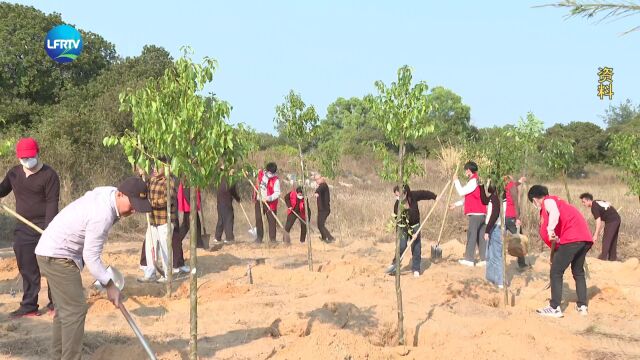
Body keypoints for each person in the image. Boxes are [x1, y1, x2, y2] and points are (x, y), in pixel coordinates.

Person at [35, 177, 152, 360]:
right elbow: (91, 257)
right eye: (133, 204)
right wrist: (110, 285)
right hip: (58, 256)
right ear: (120, 194)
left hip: (54, 252)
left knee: (65, 310)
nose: (134, 209)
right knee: (75, 310)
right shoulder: (103, 213)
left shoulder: (110, 194)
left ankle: (57, 356)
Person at [0, 137, 59, 318]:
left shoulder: (49, 175)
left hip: (45, 226)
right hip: (23, 228)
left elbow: (52, 204)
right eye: (23, 158)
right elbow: (2, 190)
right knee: (27, 267)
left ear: (37, 153)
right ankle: (29, 306)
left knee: (50, 267)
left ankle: (56, 304)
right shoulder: (14, 174)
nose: (26, 161)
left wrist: (49, 232)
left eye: (29, 157)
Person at [528, 185, 593, 318]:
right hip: (584, 238)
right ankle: (582, 306)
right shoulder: (560, 202)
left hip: (572, 238)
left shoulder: (548, 201)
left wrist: (550, 230)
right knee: (578, 272)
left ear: (535, 199)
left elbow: (555, 214)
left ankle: (554, 307)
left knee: (556, 272)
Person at [137, 159, 187, 283]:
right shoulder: (151, 180)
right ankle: (150, 273)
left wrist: (151, 204)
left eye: (158, 167)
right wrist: (141, 176)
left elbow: (167, 199)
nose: (154, 169)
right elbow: (142, 193)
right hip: (153, 220)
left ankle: (166, 274)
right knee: (150, 245)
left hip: (165, 220)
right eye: (153, 166)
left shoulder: (169, 182)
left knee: (165, 247)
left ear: (166, 168)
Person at [385, 184, 437, 278]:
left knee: (416, 247)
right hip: (403, 227)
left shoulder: (413, 196)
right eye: (395, 195)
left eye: (398, 195)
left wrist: (434, 197)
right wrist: (410, 232)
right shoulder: (397, 205)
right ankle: (395, 264)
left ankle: (416, 268)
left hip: (415, 225)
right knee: (401, 246)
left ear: (405, 193)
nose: (397, 197)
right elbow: (400, 221)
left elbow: (424, 194)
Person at [450, 161, 487, 267]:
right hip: (481, 213)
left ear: (469, 170)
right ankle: (484, 258)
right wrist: (455, 205)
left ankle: (469, 259)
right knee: (480, 236)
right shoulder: (476, 181)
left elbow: (462, 192)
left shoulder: (474, 181)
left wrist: (456, 181)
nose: (465, 172)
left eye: (466, 170)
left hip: (476, 214)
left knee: (472, 235)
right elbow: (468, 198)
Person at [579, 193, 621, 261]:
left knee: (606, 240)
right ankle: (612, 259)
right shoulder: (597, 201)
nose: (583, 204)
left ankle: (602, 259)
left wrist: (595, 235)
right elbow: (608, 203)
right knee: (613, 239)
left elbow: (598, 221)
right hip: (616, 219)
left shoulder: (594, 207)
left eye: (584, 202)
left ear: (588, 200)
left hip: (612, 221)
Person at [479, 182, 503, 288]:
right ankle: (490, 278)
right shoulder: (493, 197)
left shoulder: (496, 199)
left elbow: (495, 215)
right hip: (492, 227)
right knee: (489, 255)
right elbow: (484, 200)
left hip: (495, 228)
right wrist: (481, 186)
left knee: (496, 255)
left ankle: (499, 281)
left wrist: (487, 230)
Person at [503, 175, 529, 270]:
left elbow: (513, 185)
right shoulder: (512, 187)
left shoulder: (506, 186)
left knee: (501, 239)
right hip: (512, 217)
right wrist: (517, 218)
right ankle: (522, 264)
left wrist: (519, 181)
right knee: (519, 240)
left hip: (504, 217)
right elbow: (515, 203)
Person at [252, 163, 280, 243]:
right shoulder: (262, 174)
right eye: (269, 172)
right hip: (259, 201)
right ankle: (259, 238)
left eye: (272, 173)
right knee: (258, 219)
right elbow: (257, 179)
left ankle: (272, 240)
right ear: (267, 170)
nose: (270, 174)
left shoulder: (276, 180)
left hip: (270, 203)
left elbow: (277, 193)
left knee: (271, 221)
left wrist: (268, 198)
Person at [177, 183, 203, 248]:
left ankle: (176, 241)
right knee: (195, 226)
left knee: (186, 225)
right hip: (189, 207)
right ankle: (199, 244)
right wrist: (192, 206)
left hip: (189, 207)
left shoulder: (191, 179)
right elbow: (186, 193)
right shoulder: (189, 179)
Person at [215, 177, 240, 243]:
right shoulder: (230, 180)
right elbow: (233, 191)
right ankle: (229, 238)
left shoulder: (219, 178)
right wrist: (238, 198)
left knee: (221, 219)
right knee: (229, 219)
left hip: (219, 203)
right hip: (226, 203)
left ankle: (217, 237)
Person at [314, 174, 335, 243]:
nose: (317, 181)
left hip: (324, 209)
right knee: (319, 224)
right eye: (315, 179)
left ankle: (330, 238)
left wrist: (316, 192)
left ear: (321, 178)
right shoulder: (321, 186)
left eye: (318, 179)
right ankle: (324, 237)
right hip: (321, 209)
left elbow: (319, 189)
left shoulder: (323, 185)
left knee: (321, 224)